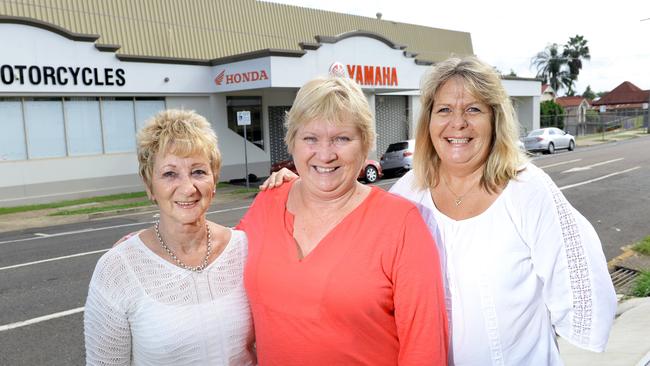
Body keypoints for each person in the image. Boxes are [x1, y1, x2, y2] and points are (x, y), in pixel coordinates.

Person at [263, 57, 617, 365]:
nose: (457, 123)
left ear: (495, 119)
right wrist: (299, 185)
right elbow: (350, 230)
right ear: (428, 121)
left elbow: (578, 279)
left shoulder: (526, 190)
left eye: (473, 109)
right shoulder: (410, 193)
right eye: (444, 110)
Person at [239, 76, 448, 365]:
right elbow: (212, 270)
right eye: (310, 138)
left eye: (342, 138)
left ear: (365, 146)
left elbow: (425, 345)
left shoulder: (402, 224)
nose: (325, 154)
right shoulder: (267, 203)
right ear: (293, 143)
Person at [84, 109, 255, 365]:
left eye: (198, 171)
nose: (188, 188)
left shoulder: (246, 250)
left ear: (215, 179)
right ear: (149, 185)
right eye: (169, 174)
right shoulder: (118, 269)